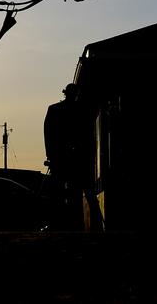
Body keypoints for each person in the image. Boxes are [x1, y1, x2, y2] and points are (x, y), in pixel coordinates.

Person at [43, 83, 103, 231]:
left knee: (60, 193)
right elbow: (87, 136)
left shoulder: (55, 110)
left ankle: (59, 224)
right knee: (80, 191)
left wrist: (51, 154)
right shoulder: (82, 111)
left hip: (63, 158)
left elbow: (48, 135)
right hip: (75, 158)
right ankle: (87, 224)